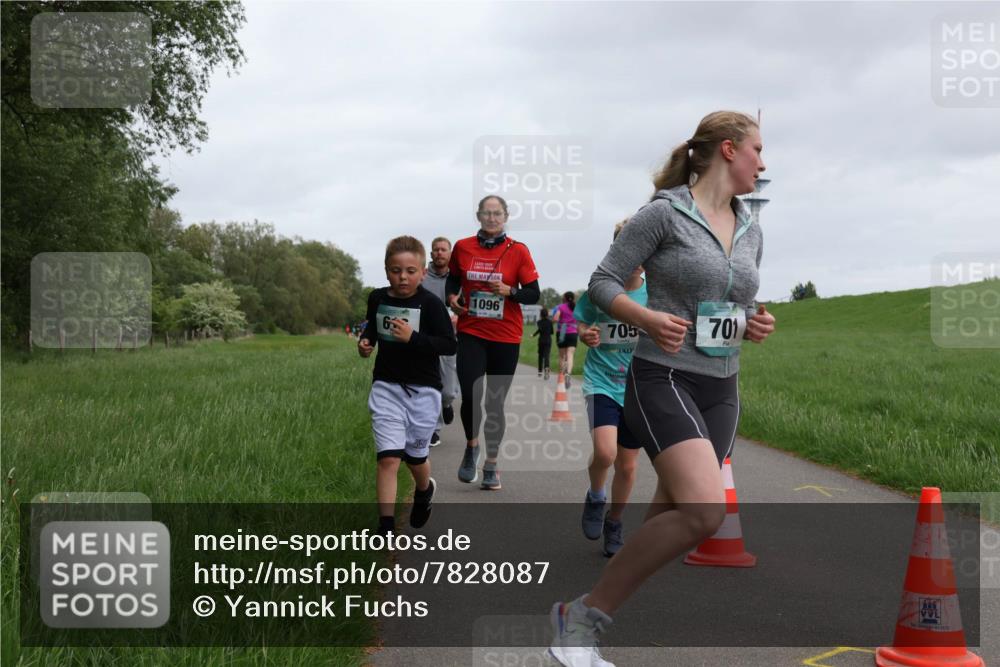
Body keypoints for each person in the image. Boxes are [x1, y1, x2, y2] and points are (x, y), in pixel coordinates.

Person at [548, 111, 776, 667]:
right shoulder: (663, 215)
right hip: (663, 376)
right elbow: (603, 282)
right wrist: (646, 320)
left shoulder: (752, 226)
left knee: (669, 518)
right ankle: (579, 618)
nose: (763, 164)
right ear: (728, 150)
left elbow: (738, 302)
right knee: (704, 512)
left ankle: (584, 620)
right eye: (757, 151)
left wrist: (756, 320)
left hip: (723, 386)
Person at [358, 236, 457, 536]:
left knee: (415, 458)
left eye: (411, 271)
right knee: (389, 457)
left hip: (424, 392)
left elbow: (449, 345)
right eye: (396, 270)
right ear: (386, 270)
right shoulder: (378, 299)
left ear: (423, 272)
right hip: (386, 387)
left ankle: (424, 490)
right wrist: (366, 344)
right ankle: (385, 527)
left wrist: (413, 338)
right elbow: (372, 330)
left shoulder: (430, 304)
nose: (403, 277)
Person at [446, 195, 540, 490]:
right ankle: (472, 447)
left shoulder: (519, 251)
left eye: (497, 213)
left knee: (495, 403)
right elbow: (453, 280)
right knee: (472, 397)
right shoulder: (462, 247)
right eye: (486, 213)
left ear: (505, 216)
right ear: (478, 216)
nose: (491, 218)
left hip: (506, 337)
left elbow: (533, 293)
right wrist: (452, 298)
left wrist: (510, 290)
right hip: (472, 332)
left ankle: (492, 465)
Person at [574, 219, 647, 558]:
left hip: (639, 386)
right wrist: (586, 333)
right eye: (627, 246)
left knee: (629, 466)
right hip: (602, 381)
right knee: (606, 453)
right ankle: (596, 495)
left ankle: (614, 521)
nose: (635, 254)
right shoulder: (601, 288)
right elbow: (582, 320)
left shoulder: (656, 292)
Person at [421, 236, 460, 447]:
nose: (439, 253)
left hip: (450, 340)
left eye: (443, 249)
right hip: (427, 338)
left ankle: (446, 405)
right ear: (431, 253)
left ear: (450, 253)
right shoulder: (422, 278)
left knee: (446, 391)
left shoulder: (457, 280)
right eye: (435, 249)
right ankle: (434, 430)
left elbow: (465, 305)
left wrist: (459, 316)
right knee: (430, 386)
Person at [551, 292, 579, 387]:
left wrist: (555, 321)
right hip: (573, 332)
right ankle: (568, 374)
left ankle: (562, 376)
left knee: (561, 356)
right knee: (570, 355)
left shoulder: (561, 307)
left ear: (565, 298)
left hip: (562, 332)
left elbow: (555, 319)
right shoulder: (576, 307)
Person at [532, 306, 553, 379]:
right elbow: (551, 332)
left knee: (540, 356)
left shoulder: (539, 322)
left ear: (540, 314)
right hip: (548, 340)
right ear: (547, 314)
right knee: (547, 356)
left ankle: (540, 371)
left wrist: (533, 335)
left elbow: (540, 330)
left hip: (541, 340)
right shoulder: (550, 322)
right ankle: (546, 369)